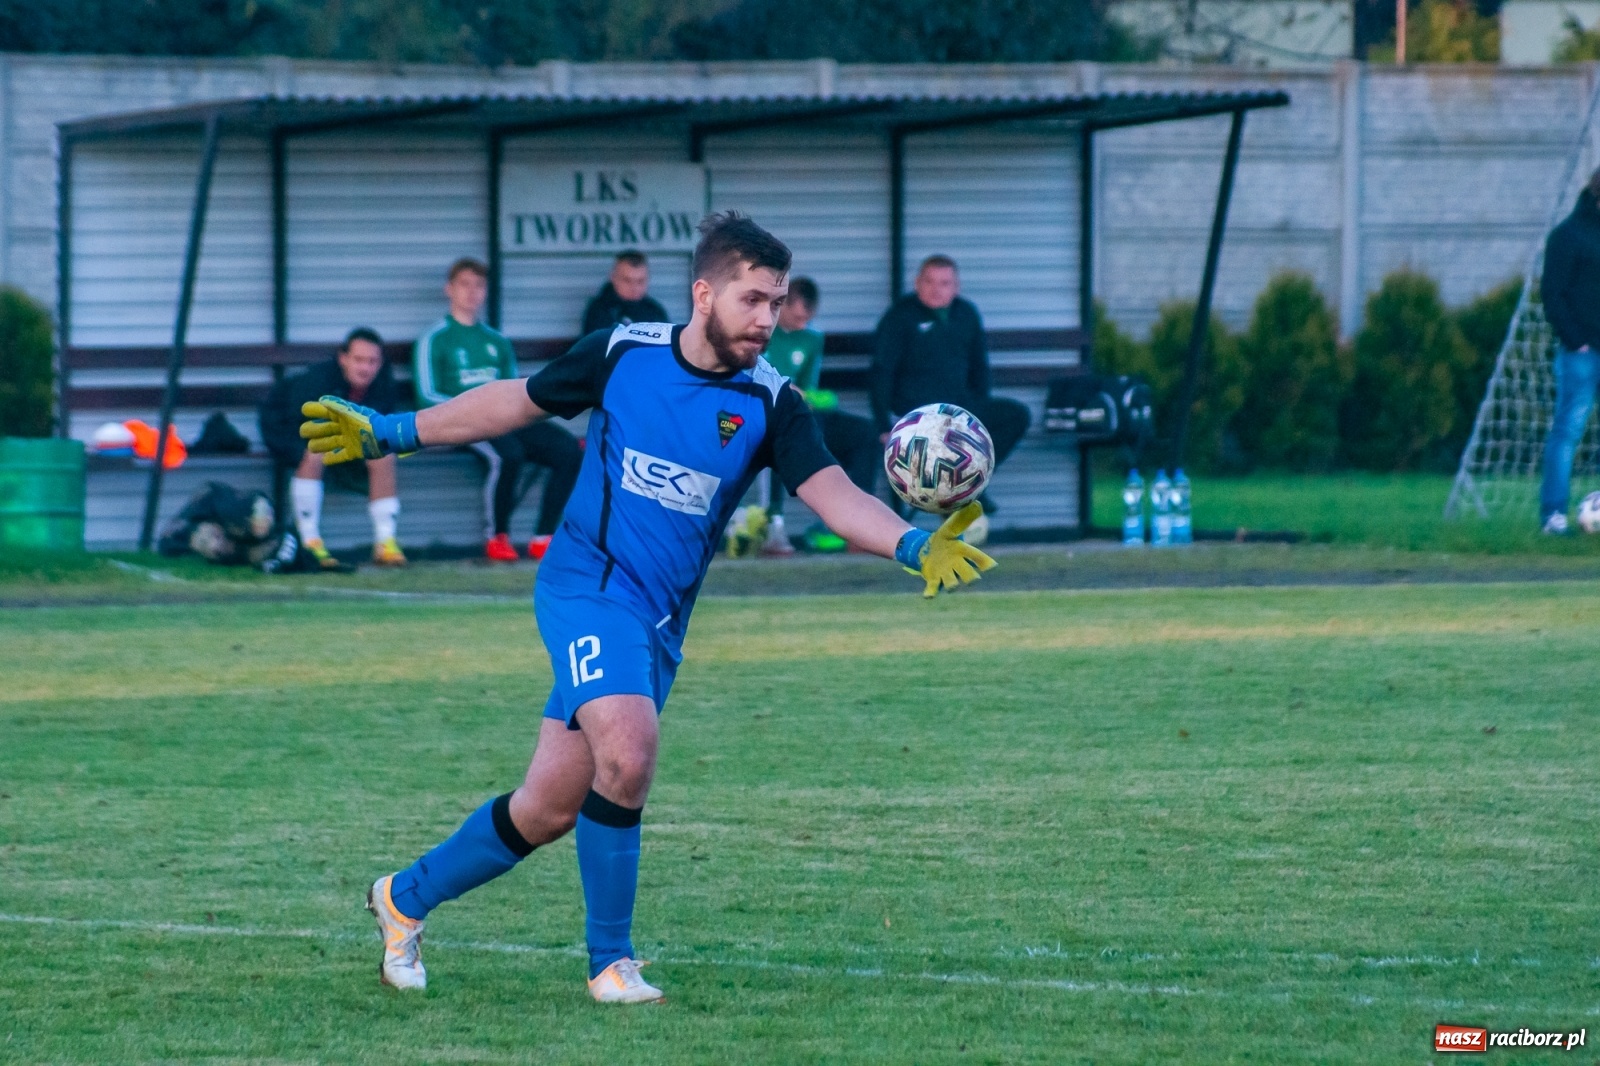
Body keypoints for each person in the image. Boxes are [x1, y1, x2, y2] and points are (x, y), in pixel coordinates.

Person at [300, 212, 996, 1004]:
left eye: (777, 301)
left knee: (547, 809)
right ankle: (611, 964)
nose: (768, 318)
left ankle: (402, 899)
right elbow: (512, 403)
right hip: (584, 586)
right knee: (628, 754)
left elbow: (833, 496)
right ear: (704, 293)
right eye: (753, 299)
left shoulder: (774, 402)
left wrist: (911, 544)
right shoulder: (623, 353)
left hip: (657, 624)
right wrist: (393, 430)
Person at [415, 257, 583, 561]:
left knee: (568, 450)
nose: (472, 292)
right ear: (448, 289)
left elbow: (514, 394)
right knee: (509, 454)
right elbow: (427, 396)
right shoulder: (434, 339)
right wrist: (467, 412)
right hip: (463, 421)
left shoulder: (496, 341)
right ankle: (497, 537)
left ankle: (543, 537)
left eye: (478, 285)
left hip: (504, 418)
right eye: (464, 284)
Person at [870, 255, 1033, 542]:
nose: (937, 289)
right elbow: (881, 372)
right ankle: (948, 497)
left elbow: (980, 368)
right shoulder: (900, 317)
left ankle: (971, 483)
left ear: (956, 287)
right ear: (917, 283)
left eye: (944, 283)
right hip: (917, 418)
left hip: (960, 413)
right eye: (929, 282)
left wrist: (978, 419)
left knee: (1016, 414)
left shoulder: (966, 314)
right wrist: (884, 425)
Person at [259, 327, 404, 568]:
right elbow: (302, 423)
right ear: (343, 358)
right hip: (286, 428)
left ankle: (385, 543)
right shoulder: (318, 382)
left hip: (344, 437)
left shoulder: (383, 384)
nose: (365, 368)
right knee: (314, 451)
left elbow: (379, 428)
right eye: (358, 360)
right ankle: (310, 543)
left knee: (383, 455)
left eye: (372, 361)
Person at [761, 276, 880, 554]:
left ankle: (857, 524)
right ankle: (773, 525)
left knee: (865, 434)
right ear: (784, 306)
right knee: (779, 436)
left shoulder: (813, 338)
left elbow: (808, 389)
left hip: (802, 413)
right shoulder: (762, 327)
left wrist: (813, 397)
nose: (803, 324)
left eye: (808, 319)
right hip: (764, 415)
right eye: (799, 317)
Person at [1539, 166, 1600, 534]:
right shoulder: (1567, 236)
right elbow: (1552, 294)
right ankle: (1553, 514)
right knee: (1568, 430)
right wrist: (1575, 339)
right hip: (1581, 353)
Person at [581, 250, 670, 335]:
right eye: (627, 280)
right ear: (613, 277)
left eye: (640, 281)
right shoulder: (599, 312)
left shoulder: (655, 311)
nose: (634, 288)